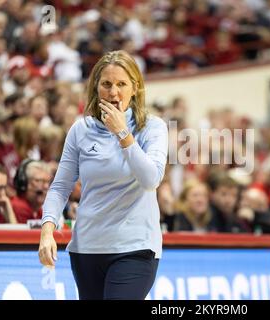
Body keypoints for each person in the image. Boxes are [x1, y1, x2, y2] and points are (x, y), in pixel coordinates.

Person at [38, 50, 168, 300]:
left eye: (121, 84)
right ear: (95, 87)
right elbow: (60, 187)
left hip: (135, 248)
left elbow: (151, 179)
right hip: (87, 248)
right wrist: (47, 230)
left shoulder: (152, 127)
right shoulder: (80, 129)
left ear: (135, 88)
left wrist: (123, 134)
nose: (113, 92)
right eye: (106, 84)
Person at [11, 159, 52, 224]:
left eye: (48, 182)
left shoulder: (38, 211)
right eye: (38, 181)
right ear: (24, 183)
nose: (46, 186)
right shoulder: (19, 207)